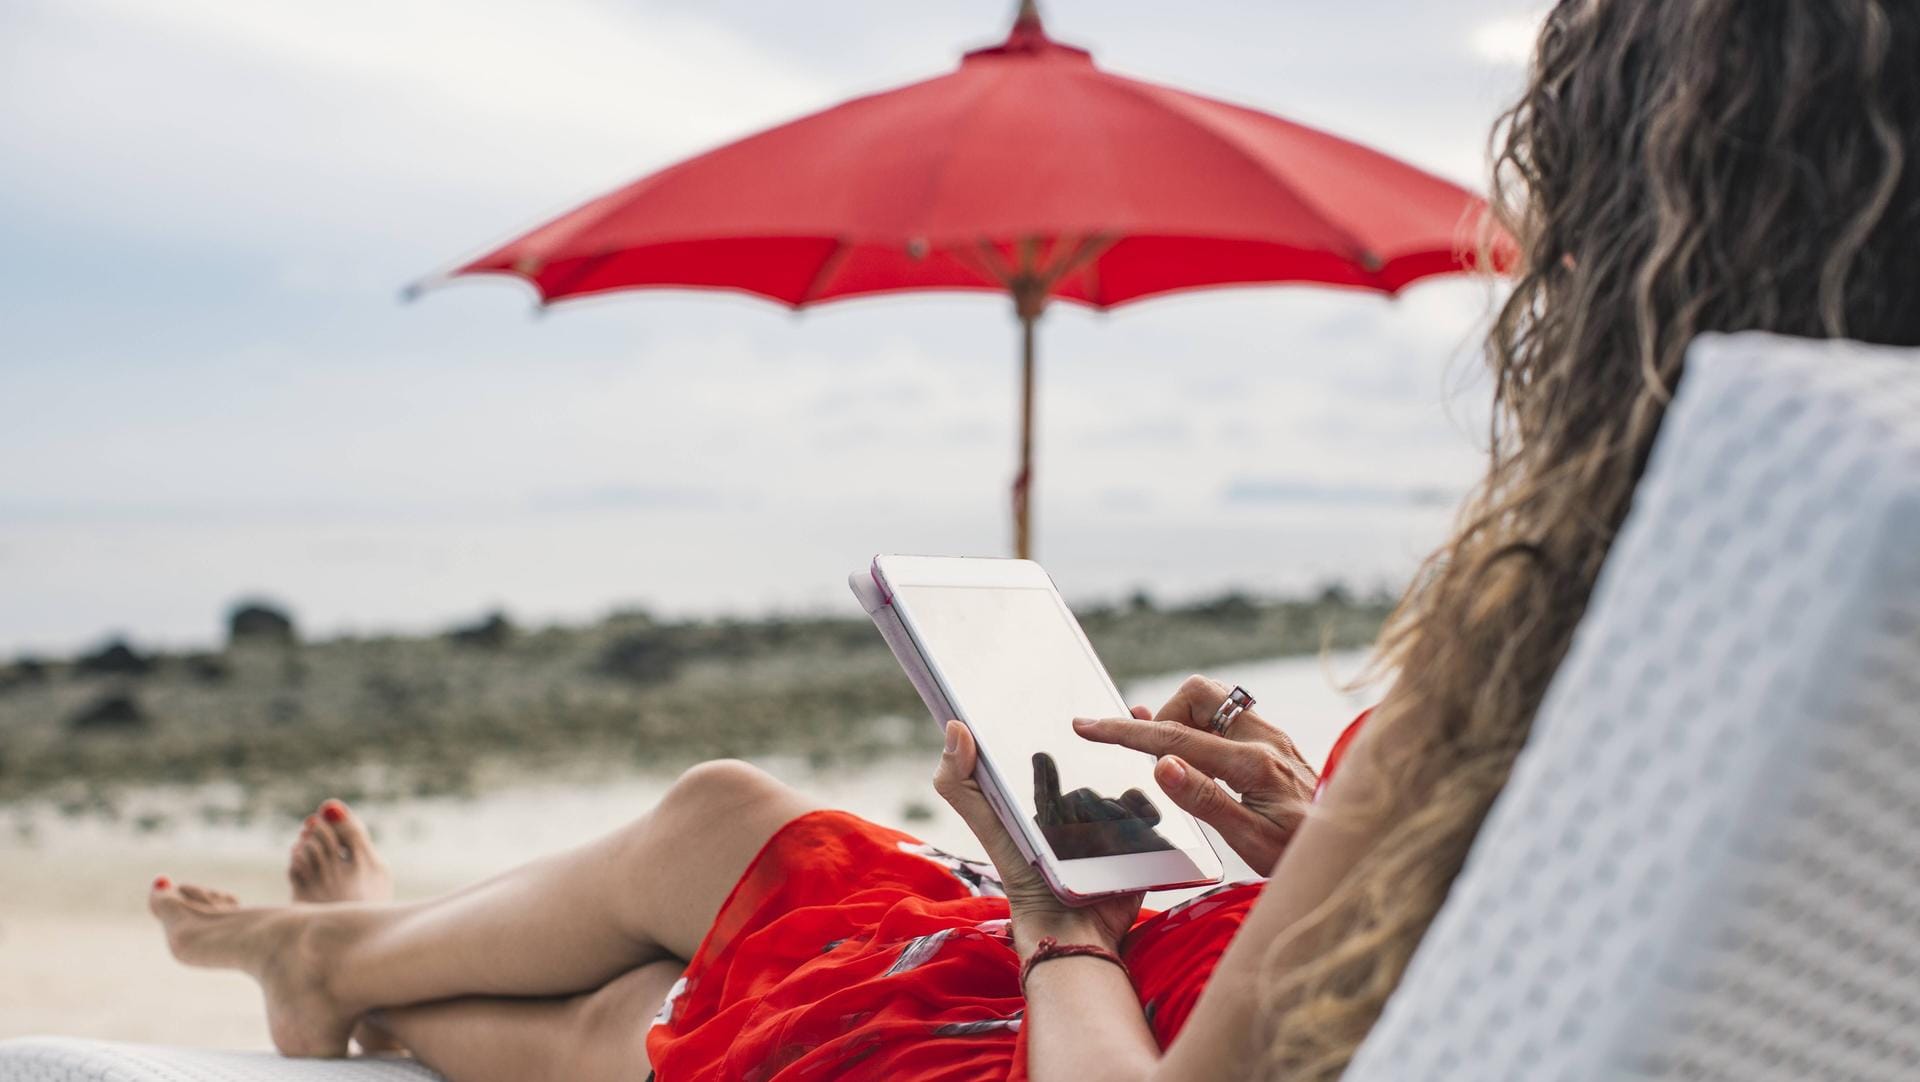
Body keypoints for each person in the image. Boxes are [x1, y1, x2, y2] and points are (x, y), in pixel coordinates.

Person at [148, 2, 1920, 1079]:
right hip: (1262, 989)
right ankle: (341, 968)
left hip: (1122, 1034)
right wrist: (1323, 837)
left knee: (654, 1003)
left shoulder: (1551, 633)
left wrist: (1058, 909)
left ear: (1633, 227)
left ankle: (339, 978)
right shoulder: (1803, 618)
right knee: (724, 820)